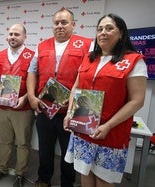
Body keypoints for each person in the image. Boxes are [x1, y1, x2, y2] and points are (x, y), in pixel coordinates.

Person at [63, 13, 147, 187]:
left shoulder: (134, 61)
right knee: (84, 171)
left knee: (103, 179)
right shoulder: (89, 58)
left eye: (109, 28)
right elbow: (76, 89)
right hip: (83, 129)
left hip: (110, 132)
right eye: (100, 29)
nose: (103, 32)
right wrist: (70, 114)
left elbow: (137, 101)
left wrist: (108, 125)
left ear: (121, 33)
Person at [26, 7, 93, 187]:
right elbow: (32, 72)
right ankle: (44, 179)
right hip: (44, 108)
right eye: (56, 23)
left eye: (64, 22)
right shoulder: (42, 45)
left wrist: (75, 105)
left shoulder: (88, 44)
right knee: (44, 150)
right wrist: (31, 97)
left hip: (71, 111)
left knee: (68, 152)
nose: (60, 26)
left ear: (73, 24)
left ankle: (67, 183)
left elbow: (92, 75)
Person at [0, 24, 35, 187]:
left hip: (22, 108)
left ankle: (20, 173)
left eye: (17, 34)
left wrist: (26, 97)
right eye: (10, 34)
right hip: (2, 108)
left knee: (22, 142)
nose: (13, 36)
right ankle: (2, 168)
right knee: (4, 141)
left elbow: (36, 84)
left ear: (24, 37)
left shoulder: (33, 56)